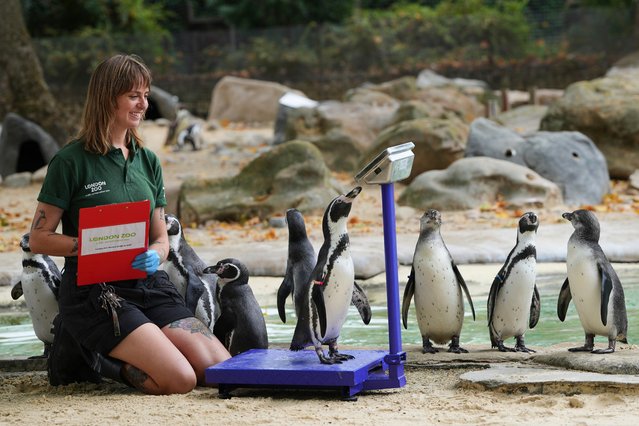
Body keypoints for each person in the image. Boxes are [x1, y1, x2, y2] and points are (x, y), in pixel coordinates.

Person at [29, 54, 231, 395]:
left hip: (150, 285)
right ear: (109, 97)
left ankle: (142, 343)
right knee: (178, 380)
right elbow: (38, 239)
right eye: (134, 95)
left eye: (146, 95)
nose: (144, 104)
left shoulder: (147, 161)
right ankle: (100, 361)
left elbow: (160, 237)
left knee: (219, 370)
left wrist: (156, 252)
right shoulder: (70, 162)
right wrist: (89, 245)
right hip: (98, 293)